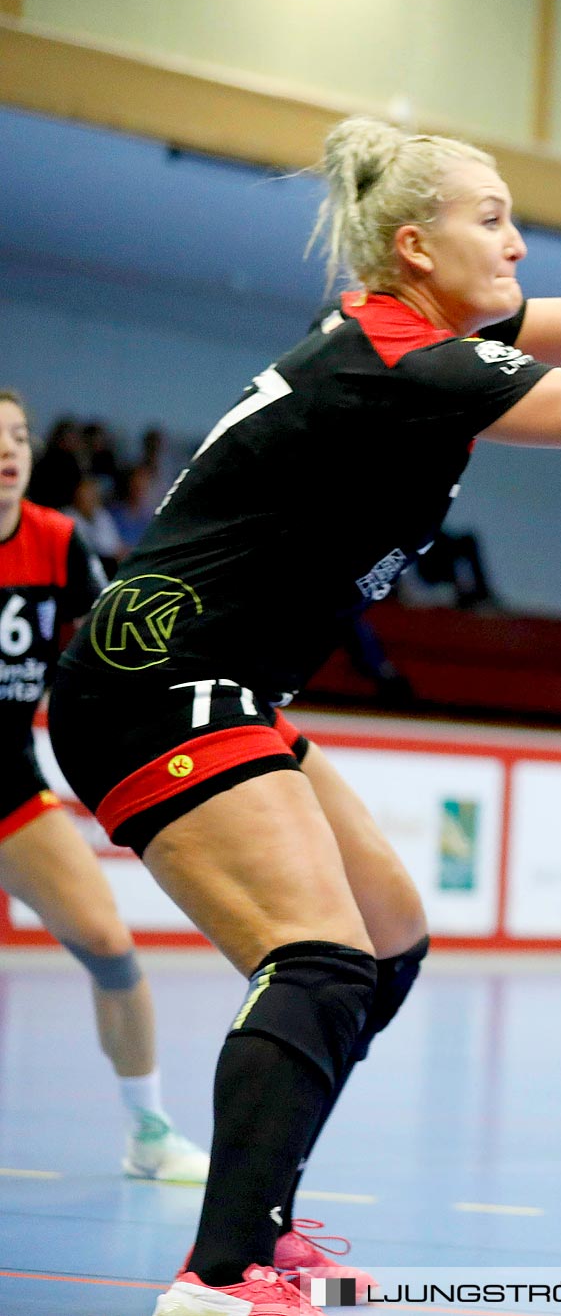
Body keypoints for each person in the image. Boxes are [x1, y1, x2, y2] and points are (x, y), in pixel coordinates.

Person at [49, 112, 561, 1316]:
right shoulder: (403, 365)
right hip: (154, 680)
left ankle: (261, 1230)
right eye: (491, 221)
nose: (517, 247)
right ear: (412, 247)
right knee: (321, 956)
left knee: (385, 940)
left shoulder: (430, 335)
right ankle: (225, 1273)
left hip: (216, 681)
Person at [0, 390, 209, 1183]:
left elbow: (109, 652)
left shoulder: (57, 541)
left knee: (112, 949)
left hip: (9, 783)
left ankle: (148, 1132)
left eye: (18, 436)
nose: (8, 451)